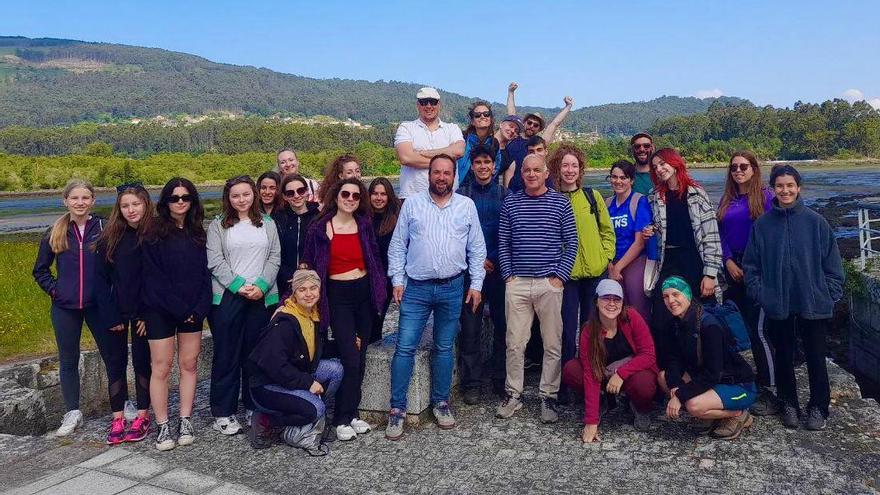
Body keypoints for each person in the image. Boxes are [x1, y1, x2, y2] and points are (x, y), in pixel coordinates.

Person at [385, 154, 486, 440]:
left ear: (455, 175)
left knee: (444, 347)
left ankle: (441, 403)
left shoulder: (466, 206)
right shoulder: (413, 205)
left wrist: (475, 284)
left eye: (447, 173)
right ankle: (397, 409)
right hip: (416, 287)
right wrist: (398, 279)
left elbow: (477, 249)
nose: (441, 177)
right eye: (437, 172)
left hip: (453, 286)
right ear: (429, 175)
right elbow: (397, 246)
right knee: (404, 347)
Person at [743, 165, 844, 431]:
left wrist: (829, 294)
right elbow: (751, 266)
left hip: (814, 302)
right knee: (784, 355)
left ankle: (819, 407)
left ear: (798, 188)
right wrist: (763, 295)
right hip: (778, 303)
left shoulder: (816, 222)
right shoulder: (762, 225)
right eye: (779, 186)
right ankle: (788, 402)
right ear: (772, 189)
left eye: (790, 185)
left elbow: (833, 265)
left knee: (815, 356)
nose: (785, 190)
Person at [302, 178, 387, 442]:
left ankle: (351, 413)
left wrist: (380, 292)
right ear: (336, 197)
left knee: (360, 356)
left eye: (355, 196)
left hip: (363, 294)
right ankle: (339, 417)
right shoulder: (320, 228)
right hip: (338, 298)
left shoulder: (363, 225)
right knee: (349, 355)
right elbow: (308, 262)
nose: (350, 199)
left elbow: (373, 259)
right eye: (345, 194)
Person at [496, 153, 578, 423]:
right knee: (515, 343)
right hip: (517, 283)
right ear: (522, 175)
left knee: (552, 344)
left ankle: (548, 396)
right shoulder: (511, 202)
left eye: (536, 170)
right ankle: (514, 394)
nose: (531, 174)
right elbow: (504, 241)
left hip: (548, 283)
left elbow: (572, 243)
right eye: (526, 170)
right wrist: (508, 275)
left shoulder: (560, 203)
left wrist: (560, 277)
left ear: (546, 173)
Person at [207, 175, 281, 436]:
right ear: (228, 198)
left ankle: (253, 405)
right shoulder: (218, 225)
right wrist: (239, 285)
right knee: (227, 355)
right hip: (229, 296)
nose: (241, 200)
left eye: (246, 194)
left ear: (255, 195)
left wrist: (261, 285)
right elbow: (215, 261)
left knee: (255, 356)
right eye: (236, 195)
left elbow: (274, 257)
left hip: (261, 297)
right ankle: (223, 412)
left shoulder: (268, 223)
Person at [142, 178, 212, 451]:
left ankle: (185, 419)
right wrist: (178, 308)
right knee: (160, 367)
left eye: (185, 197)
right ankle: (162, 425)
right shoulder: (153, 233)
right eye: (174, 198)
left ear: (193, 201)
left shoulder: (198, 233)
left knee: (189, 364)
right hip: (160, 310)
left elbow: (206, 275)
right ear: (165, 202)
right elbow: (152, 278)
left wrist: (198, 309)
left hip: (192, 312)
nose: (180, 202)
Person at [33, 179, 104, 437]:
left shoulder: (104, 228)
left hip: (98, 305)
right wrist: (56, 290)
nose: (80, 203)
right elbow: (40, 270)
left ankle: (123, 404)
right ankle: (73, 411)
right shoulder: (56, 231)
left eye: (85, 198)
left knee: (112, 355)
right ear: (66, 201)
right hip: (65, 307)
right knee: (68, 359)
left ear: (93, 201)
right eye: (75, 198)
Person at [247, 269, 343, 455]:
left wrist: (343, 345)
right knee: (317, 407)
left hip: (292, 374)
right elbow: (274, 366)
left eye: (313, 288)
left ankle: (315, 421)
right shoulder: (284, 323)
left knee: (335, 370)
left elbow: (312, 351)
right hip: (268, 385)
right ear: (294, 293)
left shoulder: (311, 314)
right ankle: (266, 420)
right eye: (302, 289)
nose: (308, 294)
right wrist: (308, 383)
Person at [547, 144, 616, 401]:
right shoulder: (552, 199)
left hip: (595, 274)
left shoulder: (592, 196)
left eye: (574, 165)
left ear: (580, 169)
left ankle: (596, 379)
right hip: (566, 277)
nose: (569, 170)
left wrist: (606, 256)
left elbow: (607, 231)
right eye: (565, 165)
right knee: (565, 330)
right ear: (557, 168)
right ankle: (567, 381)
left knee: (594, 329)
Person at [642, 148, 722, 366]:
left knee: (698, 317)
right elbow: (659, 226)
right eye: (655, 166)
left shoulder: (696, 193)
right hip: (667, 260)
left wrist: (711, 274)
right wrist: (650, 229)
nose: (659, 169)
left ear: (675, 163)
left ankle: (703, 370)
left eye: (663, 163)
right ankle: (668, 372)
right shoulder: (654, 196)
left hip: (693, 259)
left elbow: (711, 233)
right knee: (661, 316)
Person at [658, 276, 757, 440]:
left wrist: (681, 395)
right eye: (666, 296)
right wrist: (675, 385)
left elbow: (713, 373)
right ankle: (710, 416)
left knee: (693, 405)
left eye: (676, 294)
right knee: (663, 377)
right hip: (709, 380)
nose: (671, 300)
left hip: (738, 385)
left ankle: (738, 414)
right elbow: (674, 359)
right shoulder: (676, 322)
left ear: (687, 295)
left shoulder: (709, 325)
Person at [93, 183, 154, 444]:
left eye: (135, 204)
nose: (131, 210)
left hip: (145, 312)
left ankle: (142, 415)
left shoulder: (155, 235)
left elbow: (159, 279)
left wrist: (148, 313)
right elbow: (99, 280)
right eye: (125, 206)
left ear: (145, 205)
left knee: (142, 364)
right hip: (116, 311)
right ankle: (118, 417)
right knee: (115, 365)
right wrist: (110, 316)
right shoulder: (110, 238)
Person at [717, 151, 777, 415]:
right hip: (733, 269)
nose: (738, 171)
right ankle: (754, 381)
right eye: (734, 167)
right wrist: (728, 260)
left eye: (743, 166)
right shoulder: (728, 199)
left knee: (760, 330)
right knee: (740, 327)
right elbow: (720, 234)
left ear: (754, 169)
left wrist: (754, 267)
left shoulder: (766, 198)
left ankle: (772, 388)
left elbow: (773, 237)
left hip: (758, 270)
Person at [561, 279, 657, 442]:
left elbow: (648, 354)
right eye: (606, 298)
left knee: (645, 383)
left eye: (616, 299)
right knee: (571, 370)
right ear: (596, 301)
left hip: (629, 374)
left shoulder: (632, 317)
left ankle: (639, 407)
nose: (612, 303)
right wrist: (591, 422)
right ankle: (602, 400)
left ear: (622, 302)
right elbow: (591, 373)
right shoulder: (589, 330)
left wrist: (621, 374)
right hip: (602, 375)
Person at [456, 145, 508, 404]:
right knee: (470, 328)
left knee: (503, 325)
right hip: (470, 272)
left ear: (494, 165)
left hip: (499, 270)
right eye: (478, 162)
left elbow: (510, 232)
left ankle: (500, 379)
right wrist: (476, 260)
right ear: (472, 165)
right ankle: (472, 383)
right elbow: (455, 234)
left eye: (487, 161)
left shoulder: (506, 195)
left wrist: (493, 258)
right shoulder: (461, 195)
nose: (483, 166)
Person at [394, 87, 465, 199]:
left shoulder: (452, 128)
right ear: (417, 105)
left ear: (439, 104)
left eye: (433, 102)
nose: (428, 106)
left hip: (448, 198)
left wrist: (424, 153)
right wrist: (446, 159)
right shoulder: (406, 127)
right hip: (412, 197)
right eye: (423, 102)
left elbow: (459, 151)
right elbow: (406, 158)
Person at [604, 160, 653, 319]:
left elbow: (639, 242)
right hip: (612, 261)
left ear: (631, 180)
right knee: (614, 308)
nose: (618, 181)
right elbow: (603, 237)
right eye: (614, 177)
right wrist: (610, 265)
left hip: (635, 260)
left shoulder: (639, 201)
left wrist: (618, 268)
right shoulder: (607, 203)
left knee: (636, 307)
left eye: (623, 177)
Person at [273, 173, 321, 293]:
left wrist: (311, 275)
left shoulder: (319, 217)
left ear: (307, 192)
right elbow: (273, 252)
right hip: (286, 281)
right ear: (284, 196)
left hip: (314, 281)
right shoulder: (278, 218)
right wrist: (288, 275)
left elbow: (323, 250)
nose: (296, 196)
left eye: (301, 191)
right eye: (290, 193)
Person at [368, 177, 401, 343]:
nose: (379, 198)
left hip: (388, 279)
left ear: (389, 196)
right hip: (367, 279)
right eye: (374, 193)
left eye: (383, 194)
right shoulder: (363, 218)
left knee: (377, 322)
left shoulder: (397, 219)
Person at [506, 82, 573, 142]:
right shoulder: (514, 136)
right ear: (524, 123)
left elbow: (554, 124)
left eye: (536, 125)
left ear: (539, 129)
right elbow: (512, 115)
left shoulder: (538, 145)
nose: (531, 126)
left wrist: (568, 106)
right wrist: (511, 92)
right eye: (529, 123)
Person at [456, 101, 502, 186]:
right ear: (472, 121)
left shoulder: (494, 143)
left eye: (486, 114)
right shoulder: (462, 138)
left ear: (490, 119)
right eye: (477, 115)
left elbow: (496, 168)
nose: (482, 117)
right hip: (462, 187)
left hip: (485, 189)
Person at [498, 115, 531, 192]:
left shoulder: (508, 156)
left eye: (516, 130)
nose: (513, 131)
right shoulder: (483, 141)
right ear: (501, 124)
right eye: (511, 126)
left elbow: (507, 185)